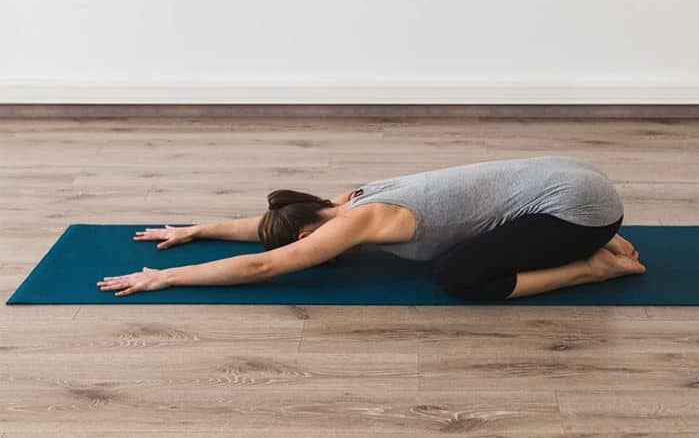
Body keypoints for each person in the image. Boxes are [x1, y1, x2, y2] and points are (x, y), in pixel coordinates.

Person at [97, 155, 646, 299]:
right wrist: (200, 228)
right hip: (572, 177)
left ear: (309, 234)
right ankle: (593, 233)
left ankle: (591, 265)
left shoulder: (365, 218)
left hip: (580, 206)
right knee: (473, 241)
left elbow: (265, 263)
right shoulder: (347, 199)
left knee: (459, 276)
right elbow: (267, 234)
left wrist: (168, 277)